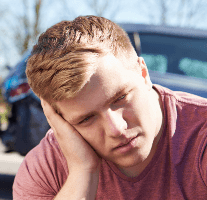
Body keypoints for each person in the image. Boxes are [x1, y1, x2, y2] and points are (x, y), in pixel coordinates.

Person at [13, 16, 207, 199]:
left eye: (121, 97)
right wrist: (83, 172)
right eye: (86, 119)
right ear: (59, 119)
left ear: (143, 73)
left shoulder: (201, 134)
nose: (117, 129)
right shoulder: (46, 168)